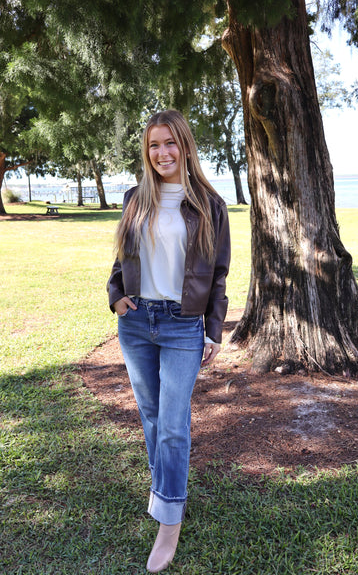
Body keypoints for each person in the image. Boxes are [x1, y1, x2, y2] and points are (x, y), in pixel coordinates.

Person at [107, 109, 231, 573]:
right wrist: (116, 298)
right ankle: (165, 491)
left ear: (185, 146)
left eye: (170, 143)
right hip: (137, 322)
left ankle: (169, 520)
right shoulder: (134, 199)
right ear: (147, 151)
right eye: (154, 145)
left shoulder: (209, 205)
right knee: (152, 416)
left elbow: (218, 273)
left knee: (174, 423)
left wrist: (213, 329)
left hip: (182, 324)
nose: (162, 153)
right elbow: (122, 259)